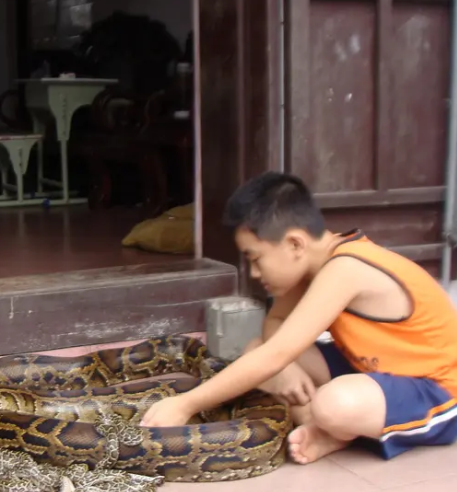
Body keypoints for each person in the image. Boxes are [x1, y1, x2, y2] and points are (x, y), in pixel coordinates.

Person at [141, 171, 457, 466]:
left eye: (256, 258)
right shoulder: (312, 265)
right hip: (374, 369)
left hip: (439, 392)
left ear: (294, 244)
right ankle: (335, 429)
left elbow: (276, 352)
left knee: (333, 403)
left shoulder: (346, 268)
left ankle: (333, 424)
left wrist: (185, 404)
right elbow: (273, 328)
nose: (253, 272)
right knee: (255, 348)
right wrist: (287, 368)